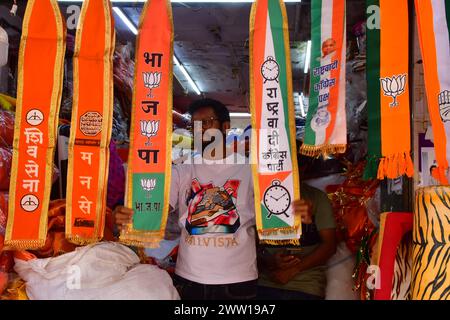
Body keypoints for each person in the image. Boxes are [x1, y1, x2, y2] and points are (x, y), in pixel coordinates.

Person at [114, 98, 312, 300]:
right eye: (194, 125)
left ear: (225, 126)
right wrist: (131, 214)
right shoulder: (182, 169)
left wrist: (294, 210)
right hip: (190, 276)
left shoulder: (251, 170)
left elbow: (274, 208)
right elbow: (157, 206)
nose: (200, 130)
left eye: (207, 122)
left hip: (238, 277)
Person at [257, 151, 337, 300]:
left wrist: (294, 270)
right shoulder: (261, 196)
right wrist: (270, 260)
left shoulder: (317, 198)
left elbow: (330, 245)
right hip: (266, 283)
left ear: (303, 168)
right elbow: (251, 244)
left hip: (306, 284)